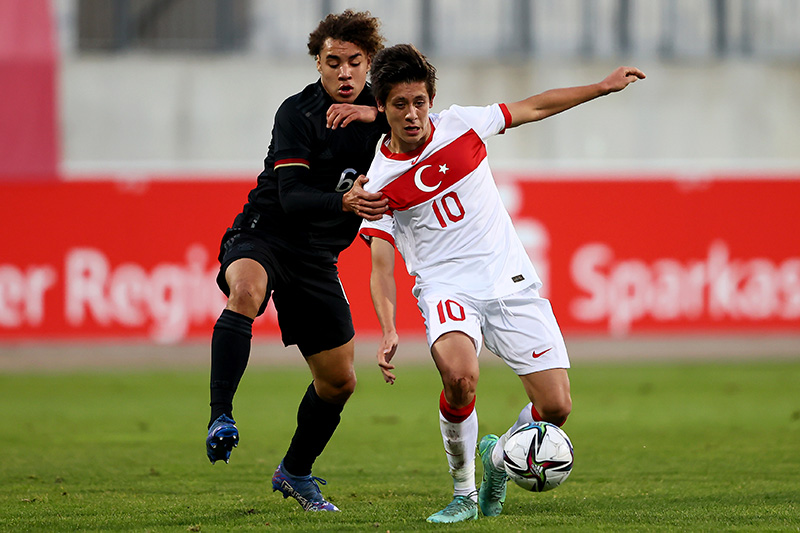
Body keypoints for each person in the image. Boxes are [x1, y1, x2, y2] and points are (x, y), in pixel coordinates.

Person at [359, 44, 645, 523]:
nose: (412, 114)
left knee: (555, 407)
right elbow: (381, 266)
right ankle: (464, 495)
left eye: (419, 102)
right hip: (447, 289)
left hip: (508, 280)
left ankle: (497, 459)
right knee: (459, 378)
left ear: (431, 100)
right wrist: (388, 327)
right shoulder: (379, 181)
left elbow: (535, 106)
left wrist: (601, 87)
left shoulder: (462, 124)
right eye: (400, 104)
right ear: (382, 107)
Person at [205, 10, 390, 512]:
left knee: (339, 381)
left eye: (355, 62)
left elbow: (430, 125)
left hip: (317, 256)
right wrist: (345, 202)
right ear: (318, 64)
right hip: (266, 230)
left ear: (370, 62)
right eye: (333, 62)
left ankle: (295, 471)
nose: (344, 72)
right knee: (246, 291)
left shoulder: (386, 111)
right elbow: (291, 196)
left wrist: (375, 117)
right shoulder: (297, 112)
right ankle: (221, 416)